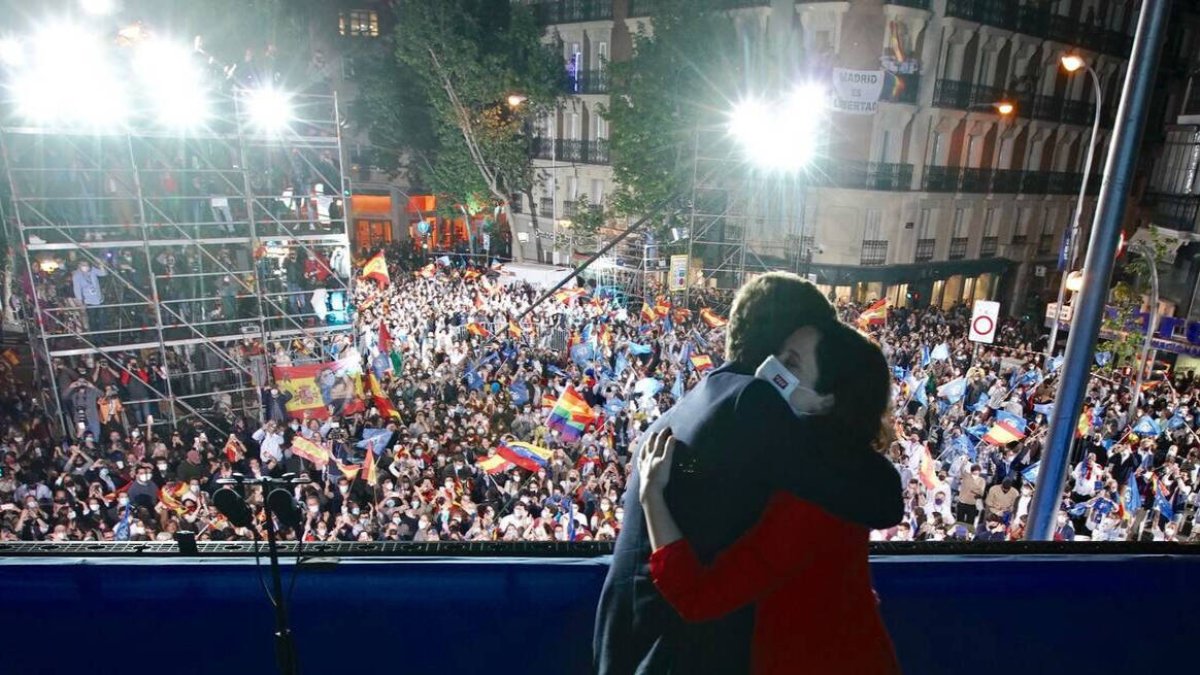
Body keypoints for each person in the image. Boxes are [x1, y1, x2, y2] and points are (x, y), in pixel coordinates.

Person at [594, 273, 903, 674]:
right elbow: (881, 498)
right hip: (676, 652)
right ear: (780, 341)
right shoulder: (754, 401)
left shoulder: (699, 399)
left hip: (633, 641)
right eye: (788, 357)